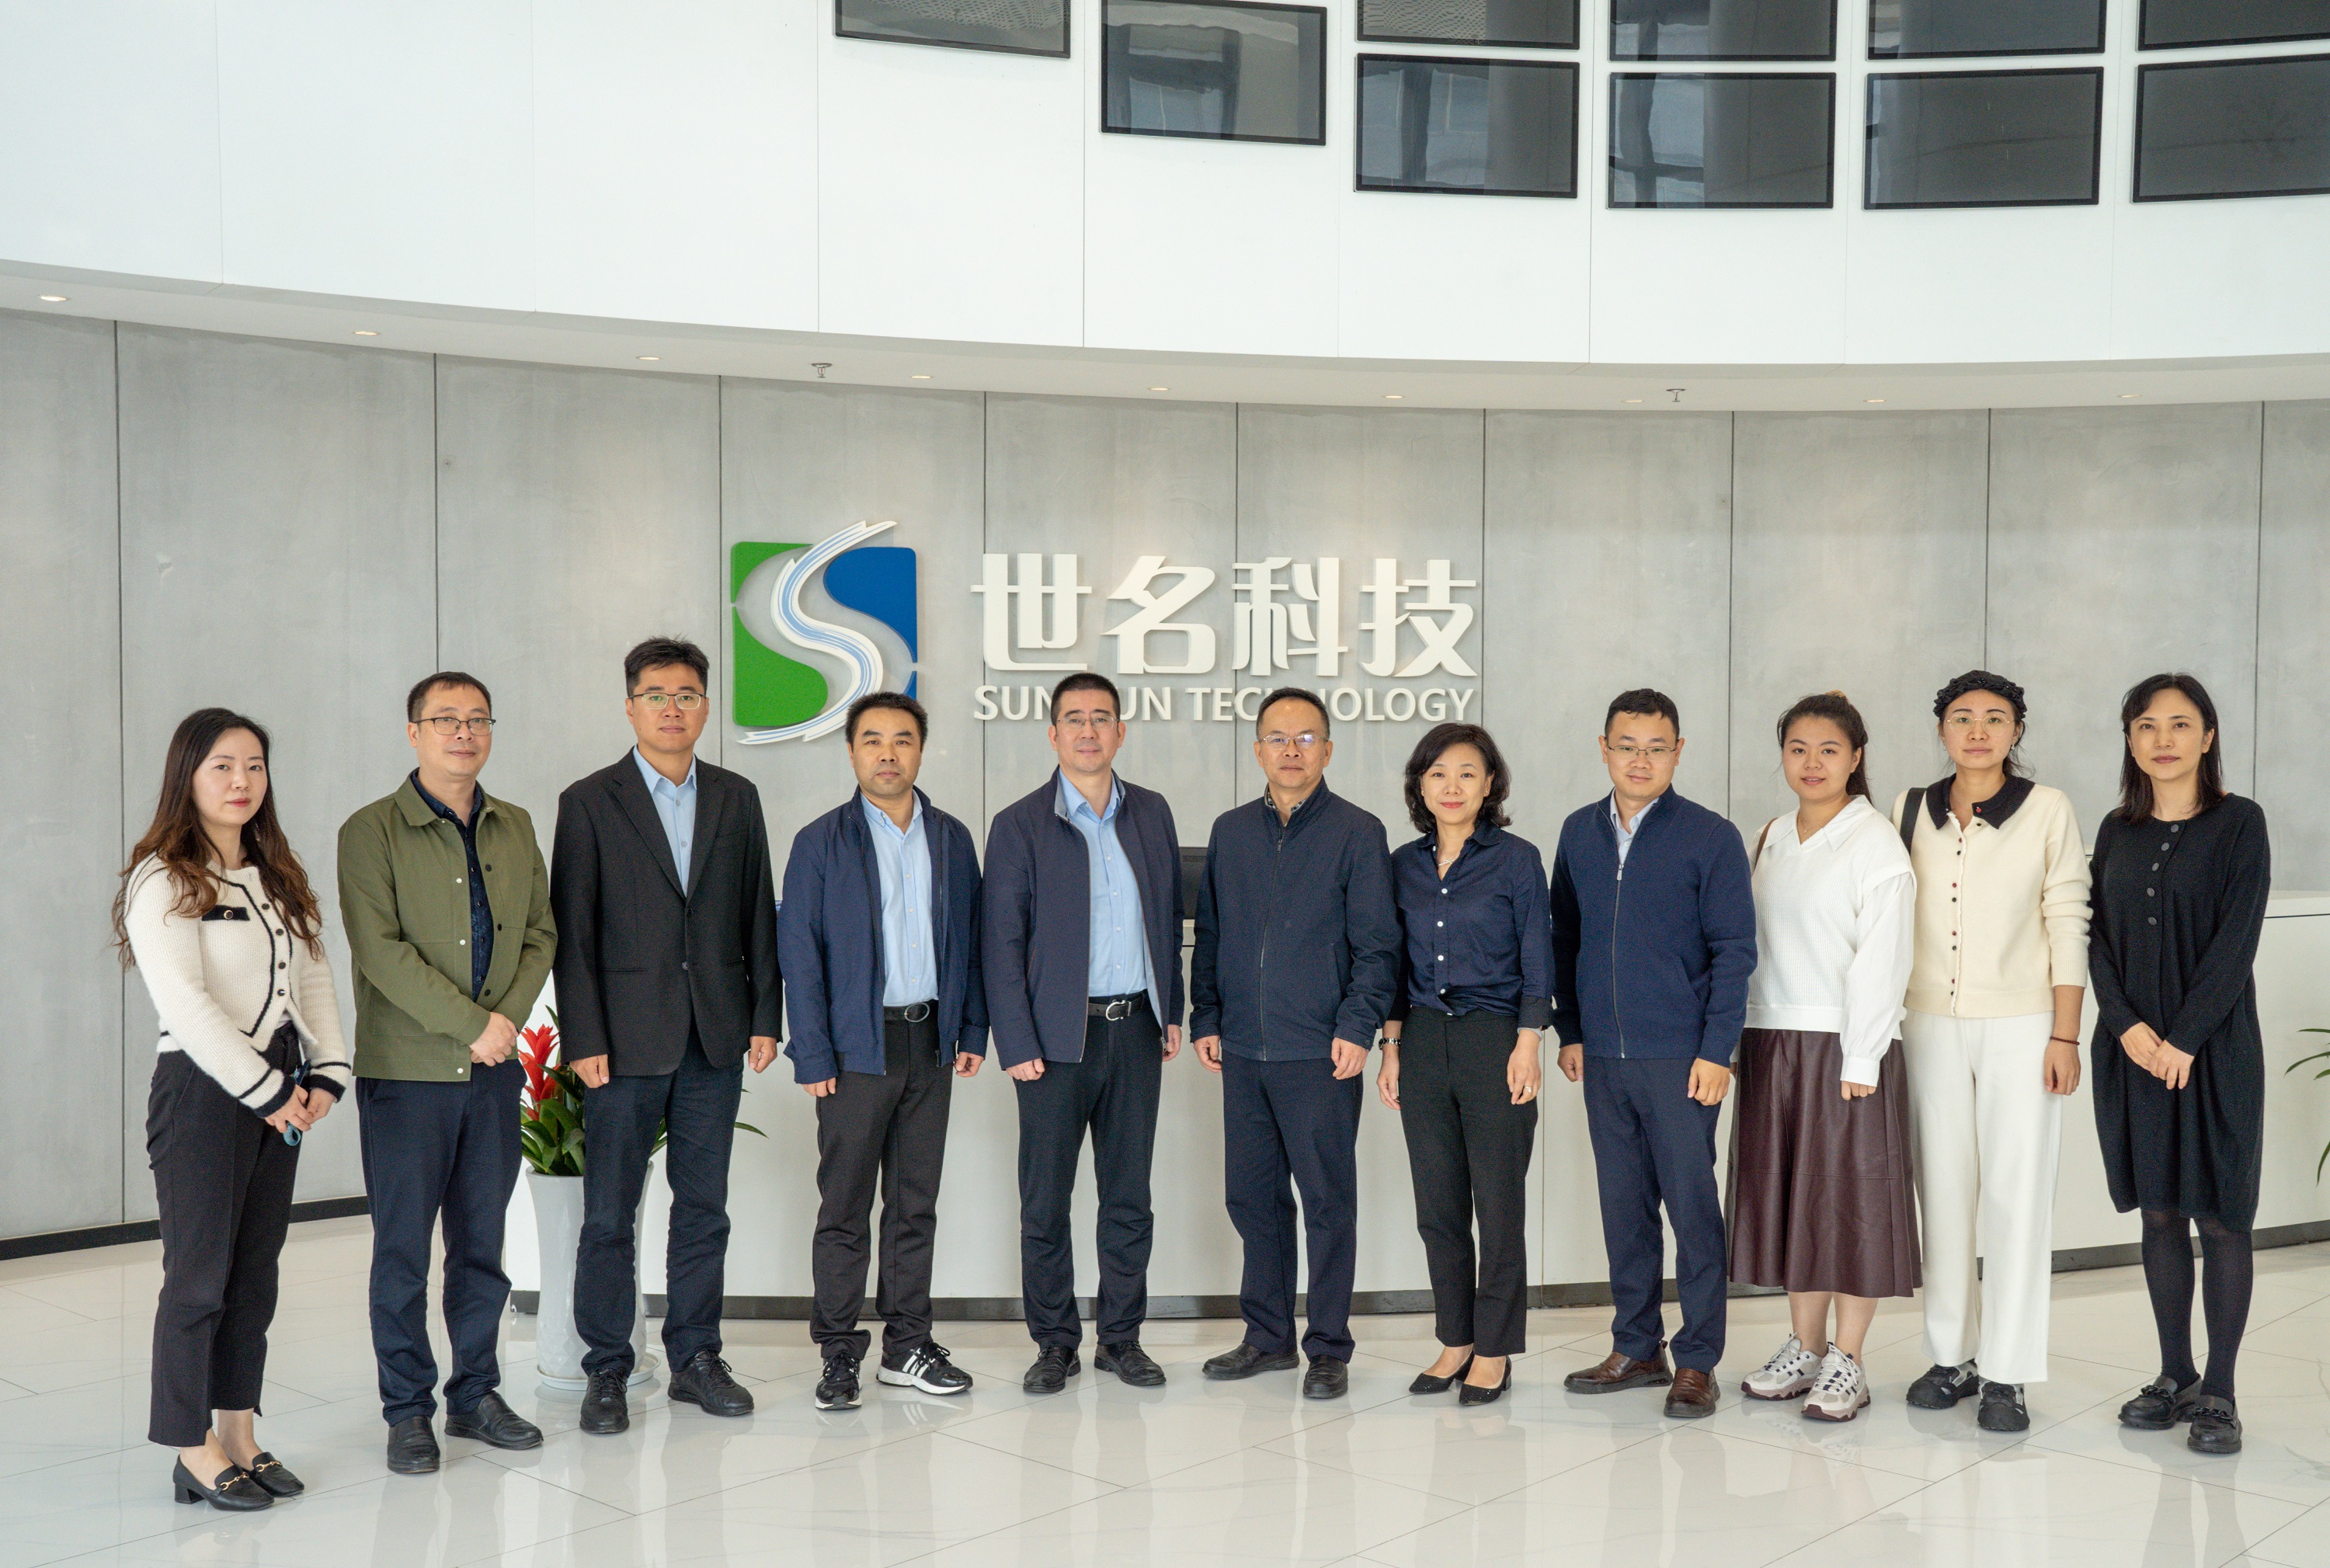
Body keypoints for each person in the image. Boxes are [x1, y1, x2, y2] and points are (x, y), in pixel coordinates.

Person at [114, 709, 353, 1511]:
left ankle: (239, 1432)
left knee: (254, 1274)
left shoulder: (275, 872)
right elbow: (186, 1004)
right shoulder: (164, 878)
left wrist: (327, 1070)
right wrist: (272, 1091)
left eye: (254, 765)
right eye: (222, 765)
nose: (241, 781)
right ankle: (192, 1446)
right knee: (198, 1279)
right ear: (187, 775)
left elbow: (312, 977)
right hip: (202, 1094)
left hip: (279, 1089)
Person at [551, 636, 784, 1435]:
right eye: (656, 695)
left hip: (715, 1036)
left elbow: (757, 911)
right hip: (621, 1042)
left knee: (704, 1207)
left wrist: (764, 1016)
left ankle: (696, 1358)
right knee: (608, 1215)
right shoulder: (589, 800)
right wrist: (583, 1034)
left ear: (705, 707)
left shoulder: (736, 796)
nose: (672, 708)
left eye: (686, 695)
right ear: (630, 707)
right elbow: (573, 931)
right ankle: (607, 1367)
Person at [337, 672, 556, 1473]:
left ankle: (475, 1395)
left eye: (477, 719)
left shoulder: (515, 825)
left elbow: (540, 932)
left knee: (482, 1247)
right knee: (402, 1251)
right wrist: (472, 1025)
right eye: (445, 719)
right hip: (407, 1075)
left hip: (490, 1074)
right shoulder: (371, 831)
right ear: (413, 732)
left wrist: (501, 1027)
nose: (463, 732)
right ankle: (407, 1410)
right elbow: (379, 950)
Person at [1891, 669, 2089, 1434]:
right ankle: (1952, 1355)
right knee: (1941, 1193)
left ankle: (2007, 1370)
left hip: (2024, 1025)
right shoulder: (1909, 808)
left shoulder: (2048, 809)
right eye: (1963, 717)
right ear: (1942, 728)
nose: (1978, 731)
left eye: (1995, 718)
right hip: (1927, 1023)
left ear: (2017, 730)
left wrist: (2066, 1034)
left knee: (2016, 1195)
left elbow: (2068, 919)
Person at [1190, 687, 1400, 1401]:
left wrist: (1356, 1027)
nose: (1291, 749)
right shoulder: (1230, 831)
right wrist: (1206, 1016)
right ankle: (1267, 1335)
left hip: (1321, 1052)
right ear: (1257, 750)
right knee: (1253, 1199)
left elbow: (1377, 946)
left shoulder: (1357, 831)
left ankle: (1329, 1346)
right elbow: (1211, 934)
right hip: (1243, 1050)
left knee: (1327, 1202)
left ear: (1328, 750)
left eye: (1305, 737)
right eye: (1277, 737)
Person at [1553, 688, 1755, 1420]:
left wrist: (1717, 1050)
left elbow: (1735, 952)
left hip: (1681, 1058)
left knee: (1692, 1209)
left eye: (1656, 747)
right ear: (1604, 748)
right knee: (1624, 1207)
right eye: (1627, 745)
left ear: (1678, 751)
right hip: (1604, 1057)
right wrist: (1570, 1030)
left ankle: (1698, 1358)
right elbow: (1564, 937)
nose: (1640, 760)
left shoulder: (1711, 836)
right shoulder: (1578, 832)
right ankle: (1637, 1345)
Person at [780, 691, 986, 1411]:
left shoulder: (953, 838)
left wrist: (972, 1030)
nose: (888, 753)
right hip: (853, 1049)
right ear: (852, 752)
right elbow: (798, 954)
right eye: (873, 740)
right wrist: (812, 1053)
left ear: (921, 750)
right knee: (844, 1205)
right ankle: (839, 1353)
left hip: (931, 1043)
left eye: (902, 739)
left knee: (914, 1203)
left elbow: (973, 942)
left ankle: (907, 1347)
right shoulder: (820, 841)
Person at [984, 673, 1186, 1393]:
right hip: (1052, 1042)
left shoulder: (1152, 812)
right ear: (1053, 734)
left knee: (1128, 1197)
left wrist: (1172, 1010)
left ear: (1121, 731)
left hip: (1135, 1031)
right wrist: (1017, 1040)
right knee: (1046, 1201)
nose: (1089, 730)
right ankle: (1054, 1342)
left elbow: (1167, 917)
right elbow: (1000, 942)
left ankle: (1121, 1338)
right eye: (1074, 718)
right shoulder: (1019, 823)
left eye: (1102, 717)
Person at [2090, 673, 2269, 1456]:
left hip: (2214, 1051)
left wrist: (2184, 1040)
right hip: (2133, 1051)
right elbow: (2095, 938)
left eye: (2180, 724)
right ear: (2131, 741)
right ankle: (2176, 1374)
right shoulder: (2116, 828)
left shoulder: (2241, 823)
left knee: (2222, 1217)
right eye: (2146, 726)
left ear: (2208, 736)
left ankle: (2221, 1391)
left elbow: (2236, 942)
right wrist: (2127, 1026)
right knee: (2160, 1211)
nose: (2163, 739)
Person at [1730, 693, 1918, 1423]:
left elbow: (1884, 957)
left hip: (1846, 1046)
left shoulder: (1875, 842)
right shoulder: (1770, 835)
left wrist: (1862, 1055)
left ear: (1856, 757)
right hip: (1771, 1038)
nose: (1812, 763)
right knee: (1793, 1200)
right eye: (1798, 748)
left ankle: (1849, 1358)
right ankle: (1803, 1348)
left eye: (1829, 749)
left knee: (1850, 1201)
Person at [1377, 723, 1549, 1407]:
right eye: (1438, 773)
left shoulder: (1516, 859)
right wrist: (1391, 1047)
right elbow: (1390, 964)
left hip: (1495, 1039)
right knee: (1438, 1204)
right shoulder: (1402, 864)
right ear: (1420, 784)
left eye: (1467, 773)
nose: (1452, 786)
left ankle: (1495, 1348)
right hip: (1421, 1041)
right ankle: (1456, 1339)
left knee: (1499, 1205)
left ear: (1490, 785)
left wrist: (1528, 1042)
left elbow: (1538, 956)